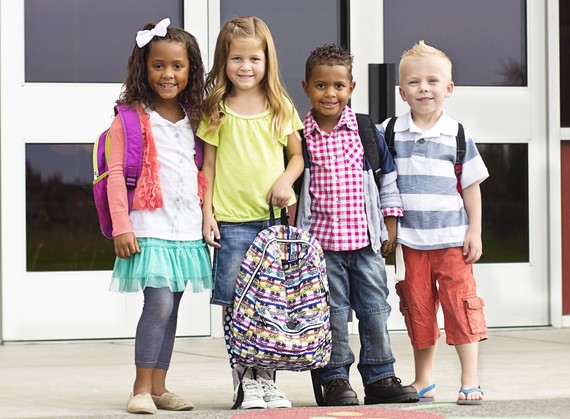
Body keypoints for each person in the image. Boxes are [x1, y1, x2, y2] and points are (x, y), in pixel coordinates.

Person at [296, 43, 419, 406]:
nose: (330, 94)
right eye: (321, 86)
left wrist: (390, 225)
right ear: (306, 88)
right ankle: (334, 380)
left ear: (351, 87)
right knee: (331, 315)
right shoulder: (301, 136)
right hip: (322, 247)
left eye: (338, 86)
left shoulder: (366, 130)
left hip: (366, 243)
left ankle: (381, 376)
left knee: (375, 310)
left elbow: (387, 180)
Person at [197, 16, 304, 410]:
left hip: (272, 224)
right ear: (224, 61)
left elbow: (296, 157)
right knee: (238, 304)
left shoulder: (279, 106)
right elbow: (207, 168)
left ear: (267, 60)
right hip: (232, 223)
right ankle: (245, 381)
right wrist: (207, 215)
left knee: (271, 303)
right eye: (236, 58)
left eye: (254, 58)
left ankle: (268, 380)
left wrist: (285, 182)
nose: (245, 67)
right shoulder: (216, 109)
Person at [107, 18, 212, 414]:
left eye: (177, 66)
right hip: (148, 227)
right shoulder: (130, 119)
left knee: (173, 312)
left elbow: (204, 172)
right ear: (144, 68)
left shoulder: (196, 120)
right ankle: (139, 388)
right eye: (158, 65)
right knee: (160, 305)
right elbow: (115, 173)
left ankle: (160, 387)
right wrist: (122, 225)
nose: (168, 74)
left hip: (184, 230)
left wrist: (206, 217)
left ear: (190, 70)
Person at [386, 40, 489, 405]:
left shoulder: (458, 134)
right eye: (414, 82)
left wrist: (474, 231)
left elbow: (471, 188)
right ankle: (424, 379)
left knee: (460, 306)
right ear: (401, 92)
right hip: (411, 243)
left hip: (451, 240)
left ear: (449, 89)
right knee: (419, 309)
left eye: (433, 81)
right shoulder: (390, 133)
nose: (423, 88)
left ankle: (469, 378)